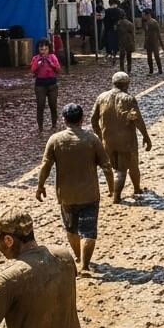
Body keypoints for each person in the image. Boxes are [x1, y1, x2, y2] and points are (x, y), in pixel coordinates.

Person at [37, 103, 113, 275]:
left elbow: (46, 165)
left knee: (71, 229)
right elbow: (106, 166)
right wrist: (111, 187)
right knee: (89, 231)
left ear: (64, 120)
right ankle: (85, 265)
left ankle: (78, 257)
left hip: (66, 195)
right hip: (89, 194)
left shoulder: (55, 140)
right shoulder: (92, 139)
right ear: (82, 119)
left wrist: (40, 186)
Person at [93, 72, 153, 204]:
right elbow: (138, 120)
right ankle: (122, 194)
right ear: (127, 84)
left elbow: (93, 120)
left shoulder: (101, 97)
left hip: (107, 139)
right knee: (127, 168)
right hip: (126, 140)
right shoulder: (128, 99)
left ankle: (111, 189)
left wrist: (100, 135)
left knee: (109, 167)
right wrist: (146, 136)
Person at [31, 39, 61, 131]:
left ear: (49, 49)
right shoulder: (35, 58)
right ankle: (40, 126)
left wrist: (51, 64)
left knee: (53, 105)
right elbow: (32, 70)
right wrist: (38, 63)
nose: (44, 51)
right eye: (41, 49)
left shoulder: (53, 57)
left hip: (52, 84)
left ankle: (54, 124)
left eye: (46, 48)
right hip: (40, 85)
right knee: (40, 105)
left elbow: (58, 69)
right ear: (38, 49)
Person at [141, 10, 164, 75]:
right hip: (149, 42)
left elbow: (158, 34)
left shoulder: (154, 22)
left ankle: (159, 69)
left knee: (156, 56)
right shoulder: (146, 23)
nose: (143, 16)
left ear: (147, 15)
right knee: (149, 57)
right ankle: (151, 70)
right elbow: (146, 34)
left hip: (154, 41)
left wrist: (162, 45)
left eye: (143, 15)